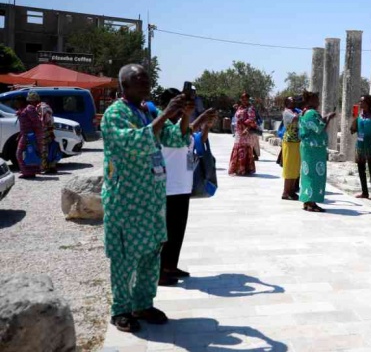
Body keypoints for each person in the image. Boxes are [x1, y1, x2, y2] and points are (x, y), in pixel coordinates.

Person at [101, 64, 191, 333]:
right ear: (124, 85)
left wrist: (184, 115)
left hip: (151, 199)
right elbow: (134, 142)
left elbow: (175, 138)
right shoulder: (115, 114)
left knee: (150, 253)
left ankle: (142, 303)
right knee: (125, 255)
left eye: (147, 80)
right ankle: (121, 310)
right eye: (139, 80)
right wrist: (165, 113)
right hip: (126, 198)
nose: (145, 84)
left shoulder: (145, 111)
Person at [155, 89, 217, 287]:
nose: (183, 109)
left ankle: (171, 265)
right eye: (180, 104)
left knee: (178, 229)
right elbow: (180, 134)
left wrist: (205, 124)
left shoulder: (182, 125)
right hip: (167, 184)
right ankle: (160, 269)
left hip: (183, 183)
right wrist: (197, 119)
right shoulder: (163, 126)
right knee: (165, 231)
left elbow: (195, 139)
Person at [298, 91, 336, 212]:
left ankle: (307, 201)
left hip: (307, 148)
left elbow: (315, 125)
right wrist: (329, 118)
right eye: (316, 99)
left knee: (307, 174)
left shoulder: (305, 112)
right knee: (315, 175)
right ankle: (311, 203)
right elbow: (320, 128)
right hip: (314, 149)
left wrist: (324, 118)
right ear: (310, 100)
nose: (318, 102)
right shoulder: (312, 113)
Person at [350, 94, 371, 201]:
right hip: (360, 145)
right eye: (360, 102)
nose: (360, 103)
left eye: (362, 102)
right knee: (361, 170)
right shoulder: (358, 115)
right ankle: (364, 193)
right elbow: (352, 130)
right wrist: (354, 118)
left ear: (368, 103)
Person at [15, 93, 44, 179]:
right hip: (25, 135)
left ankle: (28, 173)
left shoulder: (29, 108)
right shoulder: (22, 109)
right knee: (26, 154)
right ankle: (29, 172)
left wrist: (34, 136)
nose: (15, 104)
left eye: (17, 102)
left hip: (30, 136)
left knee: (20, 154)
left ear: (21, 101)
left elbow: (37, 122)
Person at [228, 92, 257, 176]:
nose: (244, 100)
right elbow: (236, 118)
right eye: (242, 99)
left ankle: (244, 169)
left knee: (244, 149)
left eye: (246, 99)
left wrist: (247, 129)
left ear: (248, 99)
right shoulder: (239, 107)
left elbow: (251, 119)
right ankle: (236, 168)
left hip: (245, 132)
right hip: (238, 131)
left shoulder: (250, 108)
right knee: (237, 148)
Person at [281, 96, 301, 201]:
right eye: (291, 100)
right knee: (289, 167)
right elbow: (295, 119)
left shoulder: (296, 111)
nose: (293, 101)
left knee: (295, 168)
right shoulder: (287, 112)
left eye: (294, 99)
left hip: (296, 142)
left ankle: (292, 191)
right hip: (289, 142)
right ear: (287, 103)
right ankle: (285, 191)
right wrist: (304, 112)